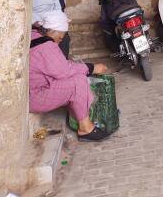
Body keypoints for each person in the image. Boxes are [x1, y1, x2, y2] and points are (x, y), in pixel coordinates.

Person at [29, 10, 109, 142]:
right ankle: (85, 129)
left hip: (35, 90)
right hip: (35, 97)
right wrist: (92, 67)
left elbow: (58, 67)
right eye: (60, 37)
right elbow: (64, 71)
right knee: (77, 83)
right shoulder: (46, 46)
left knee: (78, 77)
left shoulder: (34, 35)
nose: (60, 41)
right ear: (52, 31)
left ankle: (82, 118)